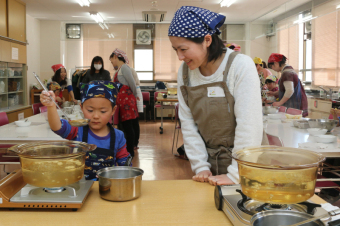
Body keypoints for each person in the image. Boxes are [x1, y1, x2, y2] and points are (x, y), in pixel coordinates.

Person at [168, 6, 263, 186]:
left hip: (246, 166)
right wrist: (200, 166)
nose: (180, 57)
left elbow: (249, 126)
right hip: (209, 166)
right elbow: (188, 124)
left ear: (207, 40)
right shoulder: (185, 72)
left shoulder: (240, 66)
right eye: (175, 50)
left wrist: (236, 174)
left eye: (183, 49)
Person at [40, 80, 131, 180]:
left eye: (103, 111)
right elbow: (57, 127)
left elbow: (125, 164)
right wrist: (51, 106)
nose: (96, 116)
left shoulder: (118, 136)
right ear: (82, 108)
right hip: (79, 188)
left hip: (105, 188)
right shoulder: (77, 130)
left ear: (113, 110)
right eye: (90, 110)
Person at [109, 48, 140, 157]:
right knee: (125, 126)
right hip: (122, 102)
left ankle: (130, 151)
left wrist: (134, 97)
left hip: (127, 101)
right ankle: (127, 149)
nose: (111, 62)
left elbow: (132, 83)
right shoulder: (119, 70)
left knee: (128, 126)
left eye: (111, 60)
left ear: (116, 57)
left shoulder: (125, 68)